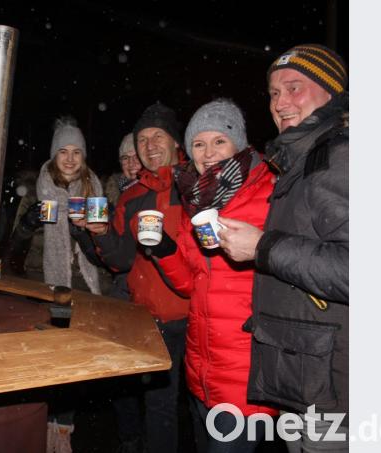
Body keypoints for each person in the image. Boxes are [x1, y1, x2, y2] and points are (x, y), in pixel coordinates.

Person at [217, 44, 349, 452]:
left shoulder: (339, 156)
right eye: (274, 93)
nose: (281, 102)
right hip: (306, 374)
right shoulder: (301, 159)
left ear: (333, 94)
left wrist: (262, 247)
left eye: (295, 88)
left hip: (337, 389)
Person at [146, 99, 279, 452]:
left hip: (246, 374)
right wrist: (165, 252)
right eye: (199, 144)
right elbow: (192, 283)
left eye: (219, 141)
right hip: (203, 372)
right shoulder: (198, 201)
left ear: (239, 143)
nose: (209, 153)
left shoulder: (271, 192)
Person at [86, 103, 189, 453]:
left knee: (208, 408)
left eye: (158, 136)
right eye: (142, 139)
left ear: (176, 142)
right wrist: (99, 234)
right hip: (151, 317)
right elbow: (120, 261)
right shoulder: (131, 196)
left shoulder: (197, 186)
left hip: (198, 316)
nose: (149, 145)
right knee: (159, 404)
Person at [36, 116, 108, 295]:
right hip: (41, 281)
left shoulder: (94, 189)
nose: (70, 158)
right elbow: (15, 251)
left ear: (83, 156)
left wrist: (84, 235)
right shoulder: (37, 190)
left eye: (76, 152)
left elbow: (106, 250)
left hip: (85, 283)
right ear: (54, 154)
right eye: (63, 151)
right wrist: (26, 226)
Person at [103, 132, 143, 300]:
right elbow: (104, 256)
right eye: (125, 158)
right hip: (119, 284)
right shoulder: (109, 196)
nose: (132, 163)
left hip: (144, 284)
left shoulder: (155, 194)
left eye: (137, 156)